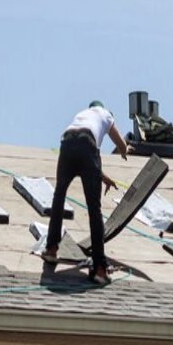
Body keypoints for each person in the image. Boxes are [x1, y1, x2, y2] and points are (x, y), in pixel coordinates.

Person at [45, 101, 128, 284]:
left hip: (67, 143)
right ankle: (99, 268)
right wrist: (125, 150)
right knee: (94, 209)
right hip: (87, 146)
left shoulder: (83, 115)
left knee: (58, 196)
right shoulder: (106, 114)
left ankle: (51, 249)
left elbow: (85, 156)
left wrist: (104, 178)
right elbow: (118, 144)